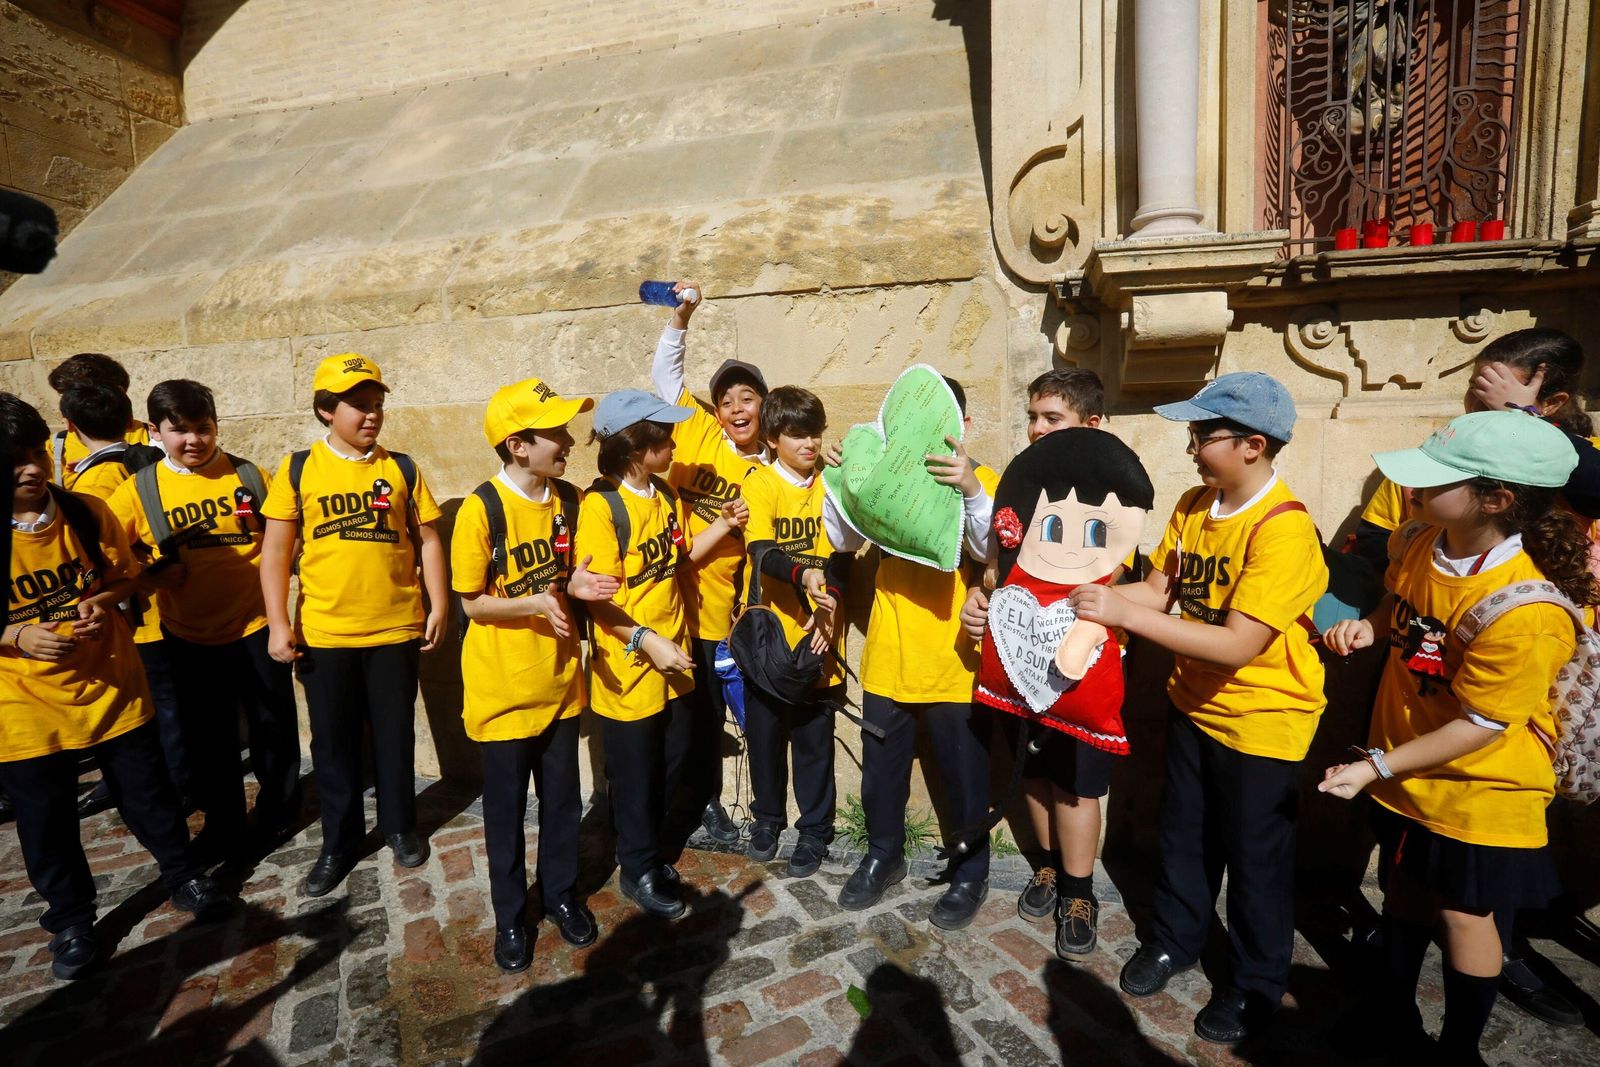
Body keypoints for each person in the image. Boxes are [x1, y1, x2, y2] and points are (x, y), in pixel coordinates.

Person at [1319, 411, 1593, 1065]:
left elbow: (1483, 724)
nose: (1412, 488)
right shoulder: (1424, 539)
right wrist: (1372, 626)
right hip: (1407, 770)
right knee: (1406, 890)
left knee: (1466, 917)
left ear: (1496, 498)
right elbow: (1401, 605)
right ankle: (1395, 1011)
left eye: (1437, 478)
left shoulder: (1527, 609)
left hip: (1481, 793)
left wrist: (1376, 765)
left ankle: (1459, 1047)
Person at [1069, 371, 1329, 1043]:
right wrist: (1102, 597)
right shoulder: (1192, 504)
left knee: (1255, 861)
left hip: (1263, 722)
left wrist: (1123, 613)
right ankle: (1176, 938)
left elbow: (1239, 643)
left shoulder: (1285, 531)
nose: (1189, 444)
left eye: (1201, 433)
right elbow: (1158, 594)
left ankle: (1254, 982)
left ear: (1252, 444)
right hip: (1193, 707)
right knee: (1182, 836)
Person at [0, 393, 230, 981]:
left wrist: (103, 605)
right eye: (12, 460)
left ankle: (183, 876)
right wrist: (19, 637)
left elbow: (127, 580)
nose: (30, 468)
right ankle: (72, 920)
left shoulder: (85, 513)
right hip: (25, 709)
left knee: (150, 795)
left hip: (112, 689)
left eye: (34, 454)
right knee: (45, 822)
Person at [259, 353, 448, 898]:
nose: (371, 416)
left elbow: (428, 540)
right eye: (358, 407)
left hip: (394, 629)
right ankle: (337, 842)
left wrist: (437, 605)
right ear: (325, 410)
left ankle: (400, 826)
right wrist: (277, 624)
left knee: (394, 736)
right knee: (335, 744)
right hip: (326, 633)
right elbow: (275, 553)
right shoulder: (298, 469)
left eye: (377, 406)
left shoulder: (403, 468)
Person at [969, 427, 1154, 961]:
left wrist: (1104, 612)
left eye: (1052, 416)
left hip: (1084, 683)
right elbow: (993, 572)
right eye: (1031, 415)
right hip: (1023, 671)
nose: (1036, 427)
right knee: (1033, 775)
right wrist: (981, 607)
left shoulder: (1117, 501)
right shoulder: (1029, 493)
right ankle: (1048, 865)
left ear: (1090, 421)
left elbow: (1150, 590)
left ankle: (1079, 892)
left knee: (1076, 788)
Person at [455, 378, 620, 972]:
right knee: (504, 816)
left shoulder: (570, 502)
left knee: (562, 805)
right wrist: (533, 604)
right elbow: (470, 603)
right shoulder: (483, 508)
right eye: (555, 432)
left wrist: (573, 588)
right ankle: (510, 918)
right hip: (502, 694)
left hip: (558, 687)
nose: (568, 440)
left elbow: (574, 575)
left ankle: (561, 897)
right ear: (518, 445)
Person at [830, 377, 1000, 931]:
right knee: (882, 770)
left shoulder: (986, 481)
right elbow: (843, 541)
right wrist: (841, 481)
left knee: (963, 773)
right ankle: (884, 854)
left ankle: (971, 869)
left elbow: (988, 547)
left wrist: (972, 490)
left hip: (955, 661)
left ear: (963, 427)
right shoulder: (890, 475)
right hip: (889, 653)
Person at [108, 379, 302, 862]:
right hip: (188, 635)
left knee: (271, 725)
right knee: (209, 738)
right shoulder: (139, 490)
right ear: (155, 431)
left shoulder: (248, 476)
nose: (194, 440)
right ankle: (225, 822)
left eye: (204, 428)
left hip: (257, 625)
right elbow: (109, 552)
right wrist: (151, 573)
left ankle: (279, 806)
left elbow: (283, 537)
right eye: (181, 431)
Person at [579, 389, 746, 919]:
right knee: (635, 776)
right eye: (663, 437)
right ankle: (637, 869)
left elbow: (679, 560)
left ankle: (647, 851)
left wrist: (723, 524)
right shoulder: (601, 508)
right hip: (631, 669)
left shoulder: (665, 496)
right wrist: (647, 641)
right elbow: (600, 605)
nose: (674, 445)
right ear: (635, 446)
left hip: (674, 662)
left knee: (671, 763)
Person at [649, 281, 768, 845]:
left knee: (712, 718)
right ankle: (696, 802)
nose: (736, 409)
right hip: (669, 606)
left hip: (721, 614)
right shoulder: (699, 431)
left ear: (764, 406)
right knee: (684, 723)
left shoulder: (771, 468)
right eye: (726, 401)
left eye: (747, 398)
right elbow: (667, 380)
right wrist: (681, 318)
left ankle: (719, 801)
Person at [738, 386, 853, 877]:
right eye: (798, 434)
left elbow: (845, 557)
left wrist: (831, 607)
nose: (810, 443)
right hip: (771, 641)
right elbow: (762, 552)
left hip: (820, 637)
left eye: (816, 433)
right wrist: (803, 576)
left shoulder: (832, 483)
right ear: (772, 437)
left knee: (814, 742)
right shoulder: (760, 484)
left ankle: (814, 831)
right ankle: (767, 821)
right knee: (764, 739)